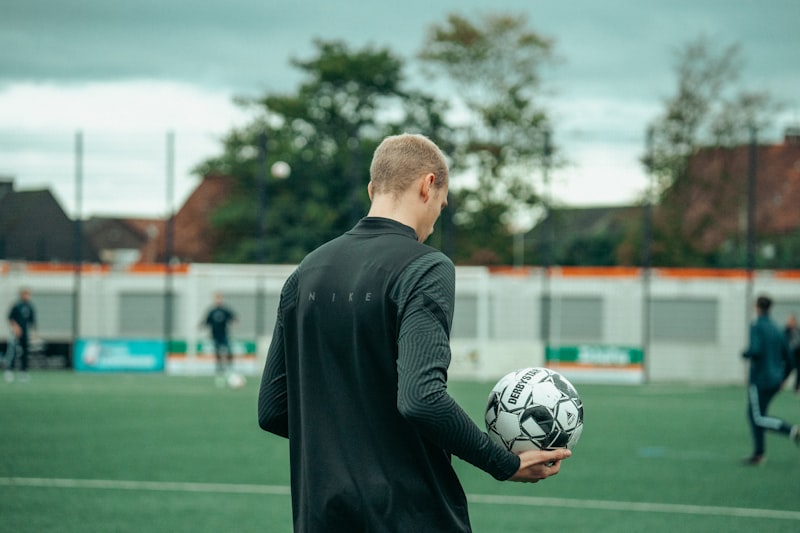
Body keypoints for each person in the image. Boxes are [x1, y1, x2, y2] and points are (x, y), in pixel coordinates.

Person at [257, 133, 570, 532]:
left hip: (320, 515)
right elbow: (422, 399)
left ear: (373, 189)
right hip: (409, 515)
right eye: (441, 204)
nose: (437, 218)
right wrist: (502, 462)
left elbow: (272, 410)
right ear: (428, 185)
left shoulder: (305, 272)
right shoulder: (425, 267)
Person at [742, 295, 799, 465]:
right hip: (775, 380)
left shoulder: (757, 326)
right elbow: (790, 359)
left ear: (757, 307)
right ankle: (759, 454)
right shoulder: (777, 329)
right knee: (757, 415)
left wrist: (745, 353)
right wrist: (783, 378)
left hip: (760, 380)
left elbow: (755, 350)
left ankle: (792, 431)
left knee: (757, 417)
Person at [202, 292, 237, 379]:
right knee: (217, 352)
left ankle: (230, 367)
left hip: (224, 334)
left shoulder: (225, 310)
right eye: (217, 299)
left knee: (228, 350)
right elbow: (206, 321)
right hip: (215, 335)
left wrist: (236, 322)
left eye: (220, 299)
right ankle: (219, 368)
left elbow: (233, 317)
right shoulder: (212, 311)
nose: (218, 301)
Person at [6, 288, 37, 382]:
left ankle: (23, 372)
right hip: (15, 333)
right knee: (13, 352)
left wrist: (33, 333)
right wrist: (16, 328)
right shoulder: (17, 306)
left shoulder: (30, 306)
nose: (27, 296)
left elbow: (32, 321)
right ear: (21, 295)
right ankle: (9, 371)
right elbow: (11, 318)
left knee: (25, 352)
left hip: (25, 333)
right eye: (26, 294)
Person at [784, 313, 800, 393]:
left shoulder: (798, 330)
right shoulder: (786, 331)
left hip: (798, 356)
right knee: (786, 371)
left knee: (799, 372)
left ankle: (796, 387)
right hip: (789, 356)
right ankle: (780, 385)